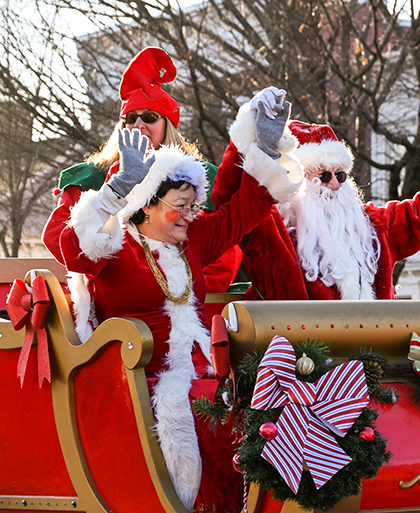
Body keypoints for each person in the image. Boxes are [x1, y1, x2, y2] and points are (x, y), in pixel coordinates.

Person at [59, 91, 295, 513]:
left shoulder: (197, 238)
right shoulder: (115, 245)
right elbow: (74, 248)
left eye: (194, 205)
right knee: (201, 413)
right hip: (131, 381)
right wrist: (116, 189)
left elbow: (245, 210)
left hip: (200, 371)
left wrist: (263, 146)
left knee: (262, 403)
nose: (190, 215)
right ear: (147, 206)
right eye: (180, 206)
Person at [212, 87, 420, 301]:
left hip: (372, 366)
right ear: (298, 182)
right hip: (301, 368)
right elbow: (227, 200)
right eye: (324, 176)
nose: (336, 185)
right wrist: (250, 136)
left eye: (340, 175)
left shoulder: (372, 228)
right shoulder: (272, 231)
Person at [42, 47, 241, 314]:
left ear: (167, 124)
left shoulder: (195, 177)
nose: (138, 125)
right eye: (130, 118)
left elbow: (222, 253)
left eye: (149, 117)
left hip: (184, 304)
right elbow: (58, 237)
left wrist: (184, 295)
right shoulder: (91, 177)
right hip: (113, 304)